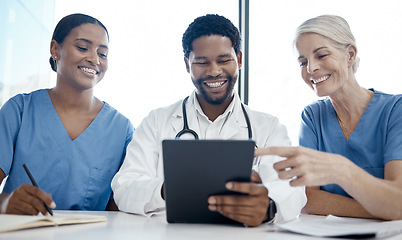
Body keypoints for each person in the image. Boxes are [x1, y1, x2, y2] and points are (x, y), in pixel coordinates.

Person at [111, 14, 306, 227]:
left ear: (239, 60)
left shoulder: (269, 128)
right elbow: (124, 188)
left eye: (224, 60)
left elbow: (292, 190)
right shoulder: (156, 121)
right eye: (202, 62)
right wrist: (169, 189)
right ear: (187, 64)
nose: (214, 71)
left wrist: (269, 207)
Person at [255, 15, 402, 220]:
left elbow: (399, 200)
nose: (311, 68)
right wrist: (382, 208)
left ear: (350, 55)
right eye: (303, 62)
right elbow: (307, 198)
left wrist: (341, 170)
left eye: (322, 55)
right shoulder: (313, 117)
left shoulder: (396, 110)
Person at [0, 13, 134, 215]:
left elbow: (118, 211)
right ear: (55, 49)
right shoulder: (19, 110)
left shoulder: (121, 129)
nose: (94, 59)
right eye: (82, 47)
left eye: (103, 53)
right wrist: (4, 203)